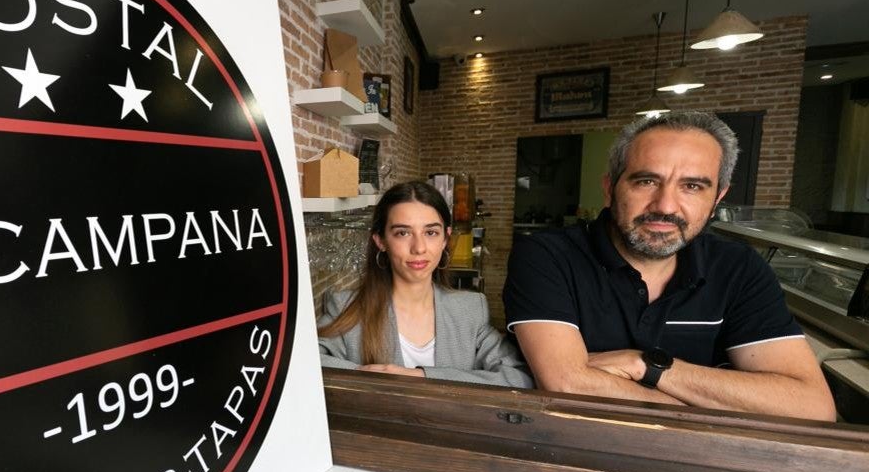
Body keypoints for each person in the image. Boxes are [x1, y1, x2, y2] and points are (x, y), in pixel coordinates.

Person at [503, 111, 835, 421]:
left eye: (692, 186)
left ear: (718, 197)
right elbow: (566, 385)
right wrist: (714, 407)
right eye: (646, 181)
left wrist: (649, 366)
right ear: (609, 189)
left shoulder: (738, 268)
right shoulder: (548, 255)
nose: (664, 205)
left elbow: (812, 407)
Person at [318, 181, 532, 388]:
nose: (419, 248)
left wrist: (420, 377)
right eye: (403, 233)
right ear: (381, 241)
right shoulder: (346, 306)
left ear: (445, 239)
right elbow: (307, 362)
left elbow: (517, 377)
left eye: (430, 233)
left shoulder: (470, 309)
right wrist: (372, 379)